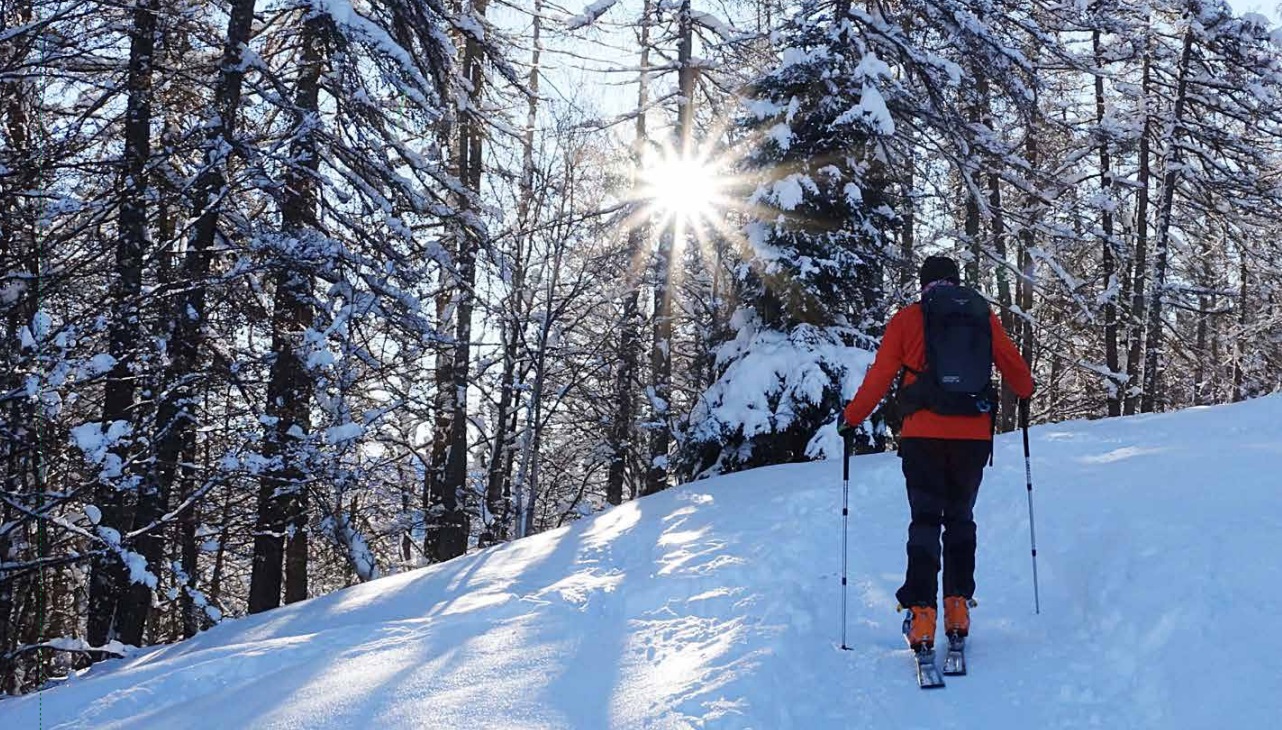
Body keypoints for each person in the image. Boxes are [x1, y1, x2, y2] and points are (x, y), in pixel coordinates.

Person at [839, 255, 1033, 651]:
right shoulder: (981, 316)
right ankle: (958, 608)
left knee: (925, 520)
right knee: (961, 517)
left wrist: (852, 417)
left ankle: (923, 616)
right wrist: (1025, 390)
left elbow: (880, 375)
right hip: (973, 436)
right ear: (956, 282)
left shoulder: (908, 320)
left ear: (923, 284)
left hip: (922, 436)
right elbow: (1012, 364)